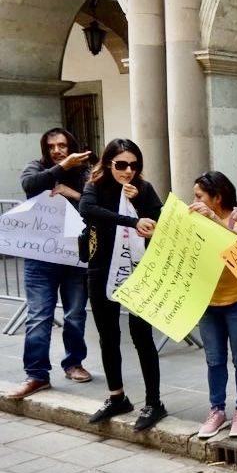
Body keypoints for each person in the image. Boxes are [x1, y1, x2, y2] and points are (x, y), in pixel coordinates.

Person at [79, 139, 166, 431]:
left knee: (142, 336)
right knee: (108, 335)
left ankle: (154, 402)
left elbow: (158, 219)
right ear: (108, 163)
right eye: (121, 165)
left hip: (139, 269)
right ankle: (117, 397)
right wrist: (130, 220)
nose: (128, 171)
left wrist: (139, 201)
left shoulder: (143, 187)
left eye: (134, 165)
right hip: (101, 268)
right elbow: (88, 210)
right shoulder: (96, 185)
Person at [9, 129, 93, 399]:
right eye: (52, 146)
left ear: (72, 145)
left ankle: (74, 363)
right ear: (45, 150)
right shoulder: (37, 167)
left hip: (73, 256)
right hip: (40, 257)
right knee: (38, 316)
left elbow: (95, 205)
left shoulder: (84, 173)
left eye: (63, 145)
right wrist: (60, 168)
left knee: (75, 313)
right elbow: (30, 185)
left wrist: (72, 192)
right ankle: (36, 374)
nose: (58, 150)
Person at [188, 171, 237, 439]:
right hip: (209, 300)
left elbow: (231, 243)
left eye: (199, 196)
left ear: (217, 197)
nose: (194, 201)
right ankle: (216, 410)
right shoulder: (194, 220)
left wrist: (212, 220)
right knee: (214, 358)